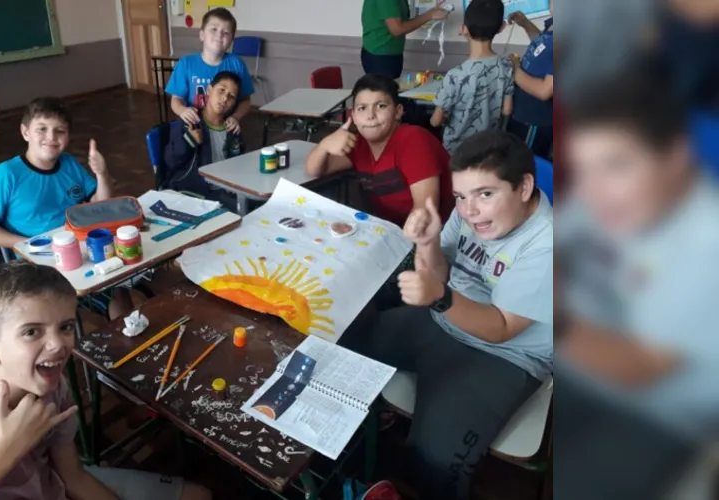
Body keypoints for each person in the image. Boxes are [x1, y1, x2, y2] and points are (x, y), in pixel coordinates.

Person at [340, 130, 553, 500]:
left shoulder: (548, 244)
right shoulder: (470, 211)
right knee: (344, 346)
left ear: (523, 187)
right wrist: (427, 244)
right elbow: (439, 272)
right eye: (460, 197)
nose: (469, 211)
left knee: (434, 462)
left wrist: (439, 297)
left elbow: (502, 328)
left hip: (505, 356)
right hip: (442, 319)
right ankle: (360, 444)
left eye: (485, 194)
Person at [0, 262, 212, 500]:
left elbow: (72, 476)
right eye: (32, 331)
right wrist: (8, 448)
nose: (58, 344)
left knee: (199, 494)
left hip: (54, 487)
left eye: (66, 327)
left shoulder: (53, 387)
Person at [555, 70, 718, 500]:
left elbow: (643, 368)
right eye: (585, 169)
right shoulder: (609, 200)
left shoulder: (707, 243)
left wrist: (556, 319)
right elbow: (562, 238)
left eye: (617, 165)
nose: (596, 191)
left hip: (661, 419)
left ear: (676, 156)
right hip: (583, 372)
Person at [0, 97, 131, 319]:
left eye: (60, 131)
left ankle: (128, 337)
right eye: (42, 129)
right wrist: (24, 245)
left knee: (118, 283)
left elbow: (99, 204)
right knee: (82, 293)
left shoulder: (69, 164)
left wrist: (101, 173)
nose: (51, 138)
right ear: (26, 132)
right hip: (36, 259)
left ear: (68, 137)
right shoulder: (6, 174)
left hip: (77, 244)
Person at [305, 74, 453, 226]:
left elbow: (425, 212)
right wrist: (324, 145)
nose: (370, 116)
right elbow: (315, 170)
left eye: (381, 106)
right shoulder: (358, 144)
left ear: (398, 112)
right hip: (395, 229)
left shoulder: (413, 139)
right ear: (353, 116)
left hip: (438, 235)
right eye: (362, 108)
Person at [430, 0, 514, 153]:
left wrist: (445, 118)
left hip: (457, 152)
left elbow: (435, 121)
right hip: (490, 150)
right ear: (502, 27)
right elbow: (507, 110)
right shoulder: (507, 66)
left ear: (464, 29)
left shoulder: (455, 74)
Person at [165, 8, 253, 135]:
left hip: (224, 129)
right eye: (214, 29)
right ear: (202, 35)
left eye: (226, 33)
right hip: (195, 129)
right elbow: (176, 100)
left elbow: (246, 100)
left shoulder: (236, 64)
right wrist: (183, 111)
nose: (219, 35)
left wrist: (235, 117)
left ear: (231, 41)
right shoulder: (186, 63)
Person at [162, 71, 245, 200]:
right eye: (221, 90)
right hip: (196, 194)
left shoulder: (231, 129)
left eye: (231, 96)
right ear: (209, 90)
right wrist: (189, 141)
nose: (224, 99)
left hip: (226, 191)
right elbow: (171, 161)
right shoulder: (190, 122)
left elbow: (240, 162)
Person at [506, 1, 553, 159]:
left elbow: (544, 91)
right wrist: (525, 23)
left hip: (535, 119)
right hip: (523, 113)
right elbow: (542, 44)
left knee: (524, 163)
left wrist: (515, 70)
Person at [360, 0, 450, 78]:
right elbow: (397, 29)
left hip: (390, 53)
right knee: (384, 94)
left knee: (391, 93)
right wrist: (429, 15)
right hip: (380, 55)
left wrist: (432, 11)